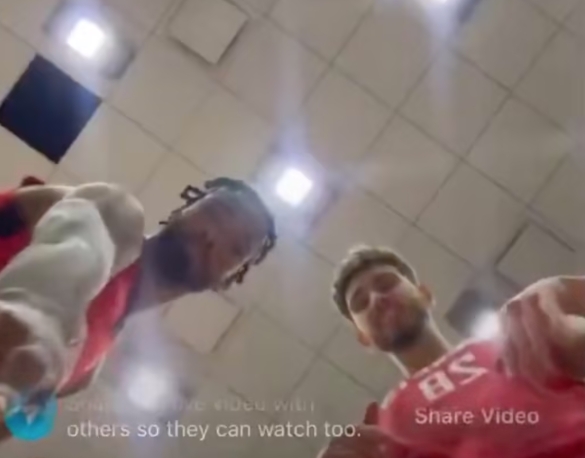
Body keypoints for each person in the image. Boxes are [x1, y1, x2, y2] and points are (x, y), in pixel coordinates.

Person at [0, 176, 276, 432]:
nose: (213, 236)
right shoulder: (86, 212)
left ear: (227, 280)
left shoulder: (85, 371)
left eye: (236, 247)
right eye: (215, 212)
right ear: (185, 208)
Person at [318, 245, 585, 458]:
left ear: (424, 294)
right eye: (361, 303)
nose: (377, 299)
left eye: (386, 284)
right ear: (363, 337)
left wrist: (563, 294)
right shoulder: (384, 435)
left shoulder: (514, 337)